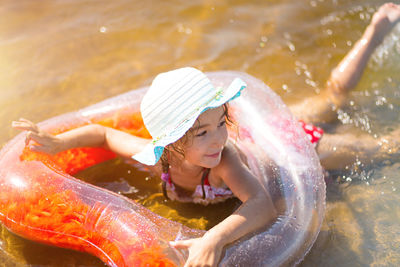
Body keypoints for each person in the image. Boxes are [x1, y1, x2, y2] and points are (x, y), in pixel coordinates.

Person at [11, 3, 400, 267]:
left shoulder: (225, 160)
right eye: (201, 133)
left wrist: (214, 238)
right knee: (330, 98)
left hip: (294, 147)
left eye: (219, 124)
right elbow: (102, 134)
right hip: (268, 138)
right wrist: (59, 143)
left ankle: (374, 33)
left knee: (379, 146)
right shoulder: (153, 154)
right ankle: (376, 34)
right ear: (172, 142)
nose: (217, 139)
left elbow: (260, 205)